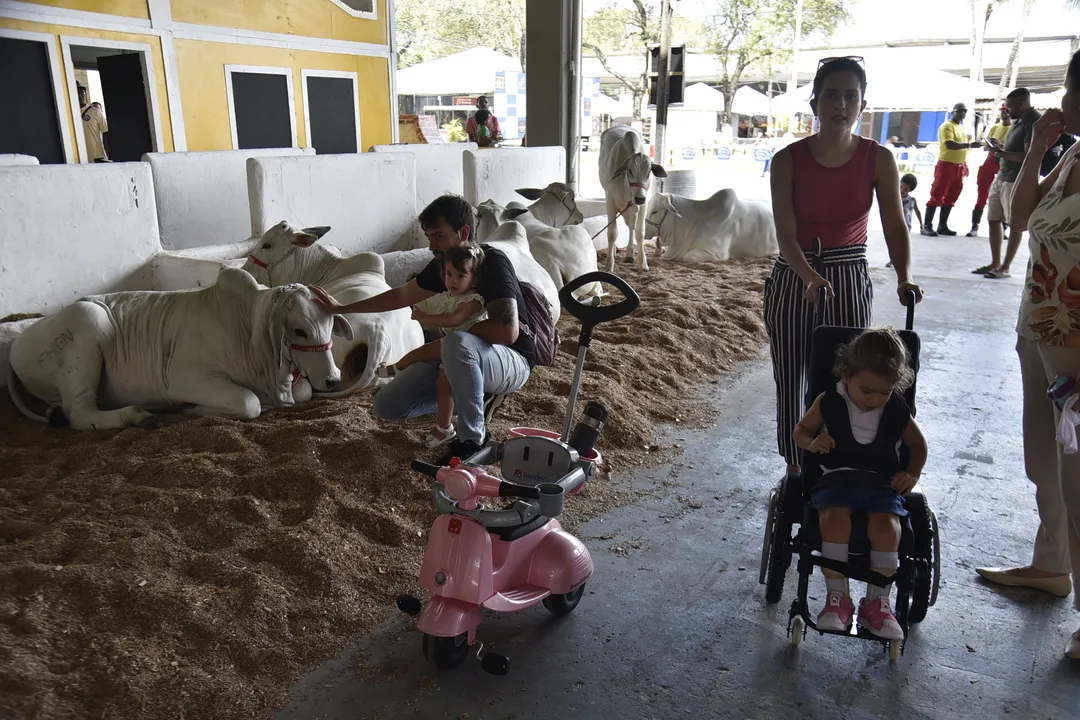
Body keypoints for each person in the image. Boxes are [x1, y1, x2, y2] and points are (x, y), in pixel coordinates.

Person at [765, 56, 923, 476]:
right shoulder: (787, 160)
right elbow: (785, 234)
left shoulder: (878, 158)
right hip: (796, 275)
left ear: (862, 103)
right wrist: (809, 276)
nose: (840, 104)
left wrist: (904, 276)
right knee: (792, 376)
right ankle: (797, 466)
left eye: (850, 95)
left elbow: (894, 223)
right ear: (815, 102)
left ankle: (843, 461)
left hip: (849, 274)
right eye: (831, 95)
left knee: (850, 378)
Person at [976, 50, 1080, 660]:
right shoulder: (1070, 152)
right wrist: (1042, 145)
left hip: (1074, 334)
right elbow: (1021, 217)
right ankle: (1051, 564)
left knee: (1077, 469)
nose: (1061, 101)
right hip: (1041, 318)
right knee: (1042, 451)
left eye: (1070, 89)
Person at [314, 195, 533, 462]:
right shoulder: (443, 267)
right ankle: (469, 392)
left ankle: (474, 439)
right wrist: (341, 308)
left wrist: (446, 342)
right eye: (429, 237)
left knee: (456, 344)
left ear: (464, 232)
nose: (432, 246)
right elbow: (398, 297)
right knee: (387, 405)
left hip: (511, 360)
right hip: (457, 356)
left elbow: (508, 333)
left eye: (438, 236)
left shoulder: (491, 262)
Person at [794, 327, 928, 639]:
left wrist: (912, 473)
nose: (875, 399)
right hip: (835, 479)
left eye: (885, 392)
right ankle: (837, 599)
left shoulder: (895, 409)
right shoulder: (829, 401)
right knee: (834, 521)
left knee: (887, 529)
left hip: (880, 484)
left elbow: (918, 445)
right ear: (846, 375)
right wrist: (813, 442)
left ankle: (878, 603)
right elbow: (800, 431)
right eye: (867, 391)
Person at [381, 244, 487, 448]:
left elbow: (455, 319)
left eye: (460, 275)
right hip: (451, 344)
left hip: (467, 351)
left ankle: (445, 427)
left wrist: (424, 317)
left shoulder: (472, 300)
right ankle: (396, 368)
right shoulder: (451, 295)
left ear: (474, 278)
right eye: (449, 274)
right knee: (418, 353)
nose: (452, 280)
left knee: (443, 384)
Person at [979, 88, 1042, 279]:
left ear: (1023, 103)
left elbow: (1028, 156)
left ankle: (1005, 267)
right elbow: (1014, 150)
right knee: (993, 218)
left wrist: (1000, 153)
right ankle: (996, 261)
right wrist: (1001, 148)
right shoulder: (1019, 121)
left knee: (1014, 224)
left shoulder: (1033, 122)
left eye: (1011, 105)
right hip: (1003, 175)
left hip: (1016, 179)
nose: (1008, 109)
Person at [922, 102, 981, 237]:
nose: (962, 114)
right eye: (959, 111)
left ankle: (942, 225)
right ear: (953, 112)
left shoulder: (960, 128)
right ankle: (927, 226)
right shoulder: (946, 126)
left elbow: (962, 149)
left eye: (964, 111)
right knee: (937, 194)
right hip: (946, 165)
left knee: (952, 196)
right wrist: (970, 144)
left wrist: (964, 165)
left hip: (958, 167)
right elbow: (949, 145)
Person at [967, 105, 1012, 238]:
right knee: (981, 194)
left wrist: (1000, 145)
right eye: (1002, 110)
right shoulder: (994, 127)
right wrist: (989, 145)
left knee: (1003, 196)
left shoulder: (1014, 129)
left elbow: (1013, 150)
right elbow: (987, 148)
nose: (1004, 113)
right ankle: (974, 226)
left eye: (1007, 110)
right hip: (990, 161)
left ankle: (1004, 229)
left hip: (1004, 163)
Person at [886, 174, 923, 270]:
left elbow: (917, 212)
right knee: (893, 244)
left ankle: (904, 261)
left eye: (905, 189)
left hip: (906, 227)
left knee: (903, 245)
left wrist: (921, 224)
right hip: (894, 224)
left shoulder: (912, 200)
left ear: (910, 190)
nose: (902, 190)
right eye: (901, 187)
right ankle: (892, 260)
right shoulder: (894, 198)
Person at [77, 84, 109, 163]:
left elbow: (106, 132)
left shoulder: (95, 111)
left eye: (82, 92)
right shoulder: (70, 113)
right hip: (78, 159)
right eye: (77, 92)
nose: (80, 95)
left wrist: (109, 154)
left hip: (96, 157)